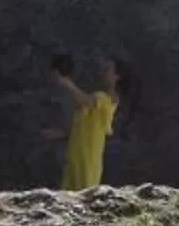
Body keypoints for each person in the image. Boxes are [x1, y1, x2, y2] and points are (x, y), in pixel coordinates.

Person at [47, 54, 123, 192]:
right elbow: (80, 128)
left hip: (88, 161)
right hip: (75, 159)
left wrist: (64, 81)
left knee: (84, 199)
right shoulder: (96, 100)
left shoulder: (107, 100)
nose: (103, 72)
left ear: (118, 76)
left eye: (107, 69)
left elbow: (85, 100)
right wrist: (59, 134)